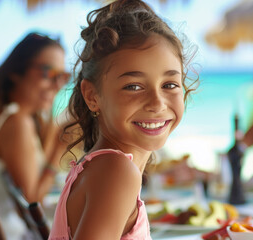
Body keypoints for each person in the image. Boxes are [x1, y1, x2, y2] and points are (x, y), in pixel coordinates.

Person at [49, 0, 198, 239]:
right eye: (134, 86)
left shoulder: (102, 166)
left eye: (169, 84)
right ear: (92, 95)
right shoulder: (116, 171)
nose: (157, 103)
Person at [0, 32, 69, 238]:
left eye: (64, 77)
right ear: (16, 72)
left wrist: (55, 135)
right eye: (49, 73)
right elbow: (32, 204)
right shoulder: (16, 123)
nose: (58, 85)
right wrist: (58, 152)